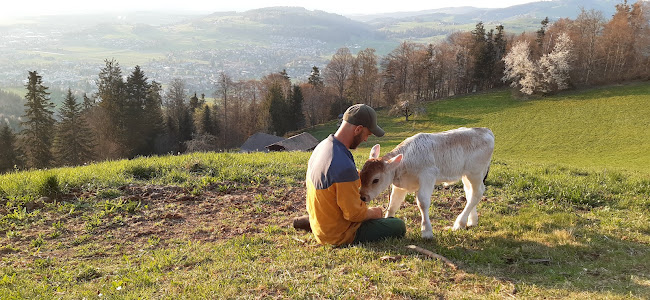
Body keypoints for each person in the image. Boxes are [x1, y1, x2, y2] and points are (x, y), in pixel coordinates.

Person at [294, 104, 406, 246]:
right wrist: (374, 212)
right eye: (367, 134)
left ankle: (309, 222)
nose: (365, 139)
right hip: (338, 235)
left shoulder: (323, 146)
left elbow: (338, 181)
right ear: (358, 129)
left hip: (321, 224)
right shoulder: (343, 165)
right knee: (397, 225)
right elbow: (353, 214)